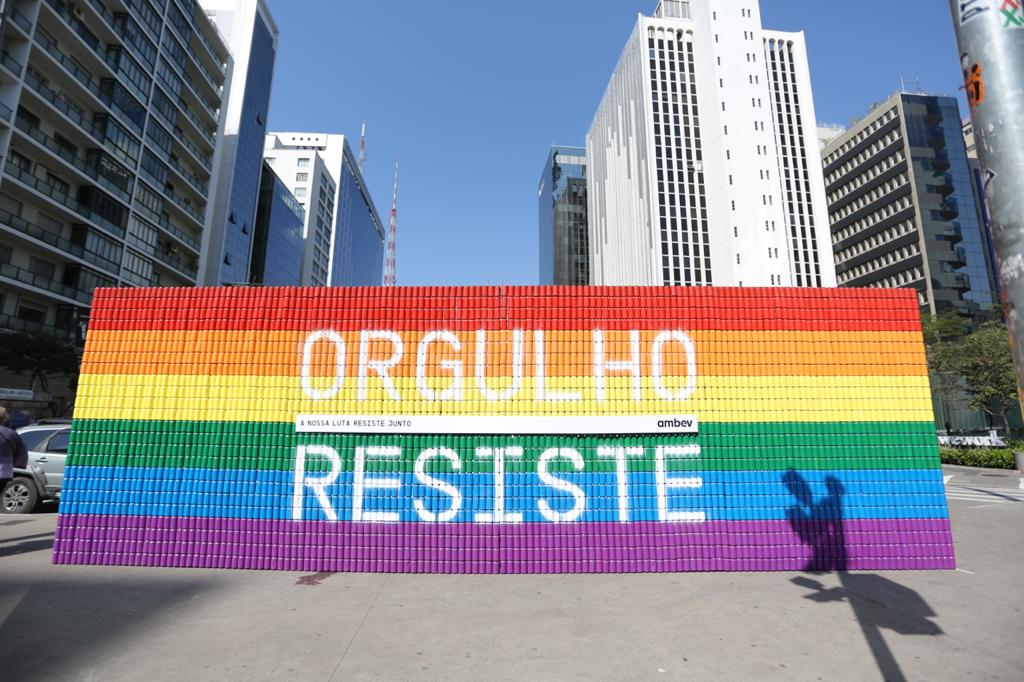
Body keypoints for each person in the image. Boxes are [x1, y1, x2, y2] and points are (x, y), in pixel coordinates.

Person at [0, 406, 29, 490]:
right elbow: (22, 452)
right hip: (4, 473)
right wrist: (18, 465)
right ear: (5, 418)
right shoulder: (11, 434)